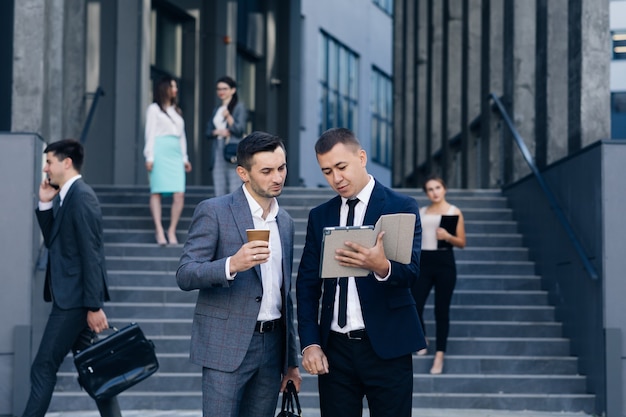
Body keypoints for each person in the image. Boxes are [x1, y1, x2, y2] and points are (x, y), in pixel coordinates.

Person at [296, 127, 425, 417]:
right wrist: (310, 344)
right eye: (327, 171)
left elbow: (412, 271)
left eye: (341, 167)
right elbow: (306, 285)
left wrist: (381, 266)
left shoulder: (400, 206)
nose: (336, 178)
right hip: (335, 351)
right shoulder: (320, 216)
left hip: (388, 346)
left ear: (362, 157)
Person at [176, 131, 301, 417]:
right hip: (225, 346)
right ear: (243, 173)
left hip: (272, 350)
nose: (278, 177)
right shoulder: (214, 211)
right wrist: (231, 264)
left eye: (281, 168)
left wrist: (290, 361)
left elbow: (285, 295)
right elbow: (185, 273)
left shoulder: (285, 223)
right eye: (267, 171)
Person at [23, 139, 122, 417]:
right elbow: (58, 243)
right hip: (73, 299)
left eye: (49, 162)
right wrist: (45, 204)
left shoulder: (82, 197)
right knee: (96, 371)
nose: (46, 169)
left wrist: (93, 306)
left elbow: (92, 255)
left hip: (74, 303)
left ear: (66, 163)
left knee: (42, 367)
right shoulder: (67, 195)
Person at [411, 175, 466, 375]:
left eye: (437, 188)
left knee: (441, 311)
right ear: (426, 193)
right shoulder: (421, 212)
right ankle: (422, 337)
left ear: (444, 189)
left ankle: (439, 356)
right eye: (430, 189)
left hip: (444, 262)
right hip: (424, 262)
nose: (434, 192)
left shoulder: (454, 212)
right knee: (415, 303)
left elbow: (462, 242)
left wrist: (448, 236)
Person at [144, 75, 192, 245]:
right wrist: (149, 156)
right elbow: (150, 133)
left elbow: (182, 137)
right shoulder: (154, 109)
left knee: (179, 193)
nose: (175, 90)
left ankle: (171, 230)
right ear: (165, 88)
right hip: (159, 151)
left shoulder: (177, 110)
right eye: (173, 86)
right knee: (156, 191)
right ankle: (159, 230)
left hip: (175, 154)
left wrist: (185, 158)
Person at [206, 75, 247, 197]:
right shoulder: (217, 109)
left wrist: (229, 117)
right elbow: (208, 131)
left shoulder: (239, 107)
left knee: (234, 185)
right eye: (219, 89)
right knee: (219, 186)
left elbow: (240, 129)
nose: (221, 92)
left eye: (225, 88)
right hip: (218, 147)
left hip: (232, 148)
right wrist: (217, 132)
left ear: (233, 90)